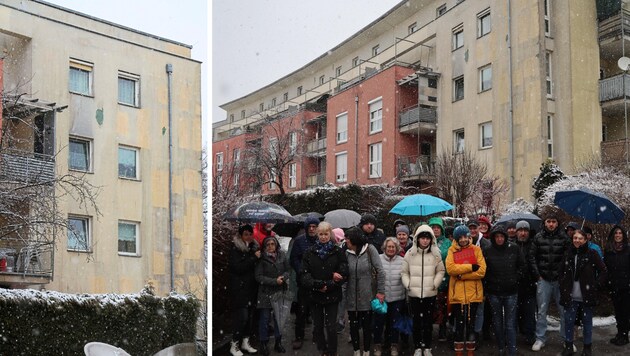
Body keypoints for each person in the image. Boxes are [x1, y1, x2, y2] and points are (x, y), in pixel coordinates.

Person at [300, 221, 348, 356]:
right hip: (315, 295)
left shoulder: (337, 251)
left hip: (332, 294)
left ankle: (332, 352)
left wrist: (330, 284)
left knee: (331, 326)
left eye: (326, 234)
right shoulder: (309, 252)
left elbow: (344, 272)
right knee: (318, 326)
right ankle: (323, 350)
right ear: (317, 235)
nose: (323, 237)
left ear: (330, 234)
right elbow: (304, 274)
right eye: (320, 234)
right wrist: (318, 285)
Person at [559, 229, 607, 356]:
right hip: (570, 295)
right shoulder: (567, 253)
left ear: (586, 240)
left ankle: (587, 348)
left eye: (580, 238)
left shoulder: (592, 253)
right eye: (575, 238)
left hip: (586, 295)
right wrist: (562, 284)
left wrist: (595, 285)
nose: (577, 240)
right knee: (569, 321)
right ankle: (568, 346)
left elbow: (603, 271)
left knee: (587, 323)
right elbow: (561, 271)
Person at [529, 210, 572, 352]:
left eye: (554, 222)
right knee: (542, 311)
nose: (551, 224)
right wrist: (538, 275)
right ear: (545, 223)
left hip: (560, 281)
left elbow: (568, 258)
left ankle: (567, 339)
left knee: (563, 310)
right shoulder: (538, 237)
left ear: (557, 223)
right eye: (549, 221)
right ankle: (540, 338)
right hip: (544, 280)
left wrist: (563, 275)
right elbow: (532, 257)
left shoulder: (564, 238)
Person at [401, 225, 445, 356]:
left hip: (429, 294)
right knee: (416, 322)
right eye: (422, 238)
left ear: (431, 240)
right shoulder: (410, 253)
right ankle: (417, 346)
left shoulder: (436, 254)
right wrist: (408, 284)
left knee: (427, 322)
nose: (425, 241)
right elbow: (404, 272)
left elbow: (440, 270)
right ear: (417, 239)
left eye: (427, 238)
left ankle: (427, 346)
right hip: (414, 294)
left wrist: (435, 284)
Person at [483, 226, 525, 356]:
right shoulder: (487, 250)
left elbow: (522, 265)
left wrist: (515, 278)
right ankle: (501, 347)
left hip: (511, 292)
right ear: (493, 238)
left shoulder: (514, 248)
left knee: (510, 322)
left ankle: (512, 350)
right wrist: (489, 283)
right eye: (497, 237)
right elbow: (484, 270)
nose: (499, 239)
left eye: (501, 236)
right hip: (494, 292)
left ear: (505, 237)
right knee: (497, 321)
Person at [446, 225, 486, 356]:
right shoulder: (451, 251)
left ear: (469, 237)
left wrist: (461, 276)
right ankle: (458, 352)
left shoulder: (476, 250)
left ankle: (470, 352)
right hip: (457, 295)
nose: (463, 239)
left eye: (465, 236)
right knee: (459, 325)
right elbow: (451, 269)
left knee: (471, 325)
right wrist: (470, 266)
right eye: (460, 237)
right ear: (456, 239)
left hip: (473, 294)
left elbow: (481, 271)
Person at [345, 226, 386, 356]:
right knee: (353, 326)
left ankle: (367, 351)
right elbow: (343, 272)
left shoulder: (370, 249)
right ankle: (356, 351)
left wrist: (380, 291)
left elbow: (380, 271)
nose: (346, 241)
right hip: (351, 296)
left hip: (368, 295)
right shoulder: (346, 253)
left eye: (348, 239)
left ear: (355, 240)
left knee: (367, 326)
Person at [228, 224, 260, 356]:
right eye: (246, 234)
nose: (249, 236)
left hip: (252, 288)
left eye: (250, 234)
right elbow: (238, 268)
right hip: (240, 289)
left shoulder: (254, 248)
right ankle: (234, 344)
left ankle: (245, 342)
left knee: (250, 317)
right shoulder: (235, 249)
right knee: (242, 317)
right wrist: (253, 258)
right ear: (241, 235)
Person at [255, 235, 290, 355]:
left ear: (276, 245)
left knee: (278, 319)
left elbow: (287, 270)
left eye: (272, 244)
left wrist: (283, 277)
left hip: (280, 292)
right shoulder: (261, 258)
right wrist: (274, 281)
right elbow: (258, 276)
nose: (270, 247)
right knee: (264, 320)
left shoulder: (282, 255)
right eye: (268, 245)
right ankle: (263, 344)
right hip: (265, 293)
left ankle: (278, 342)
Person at [289, 216, 320, 349]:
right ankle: (299, 336)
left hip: (318, 281)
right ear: (306, 228)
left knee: (318, 310)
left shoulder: (322, 239)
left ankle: (317, 334)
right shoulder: (299, 241)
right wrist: (302, 271)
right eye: (310, 227)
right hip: (303, 281)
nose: (312, 229)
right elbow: (294, 258)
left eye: (314, 227)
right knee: (301, 311)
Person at [374, 237, 406, 356]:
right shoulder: (378, 259)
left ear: (397, 248)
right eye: (389, 247)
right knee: (379, 323)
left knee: (395, 324)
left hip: (398, 298)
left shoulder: (403, 260)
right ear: (385, 248)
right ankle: (377, 345)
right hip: (382, 298)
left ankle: (394, 345)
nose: (391, 249)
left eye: (393, 247)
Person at [604, 225, 630, 346]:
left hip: (626, 286)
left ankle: (624, 336)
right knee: (618, 312)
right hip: (614, 286)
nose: (618, 235)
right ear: (612, 236)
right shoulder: (609, 250)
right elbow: (606, 269)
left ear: (623, 235)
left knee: (625, 312)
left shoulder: (628, 249)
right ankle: (620, 333)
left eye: (620, 233)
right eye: (616, 233)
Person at [429, 217, 451, 342]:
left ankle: (443, 330)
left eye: (438, 228)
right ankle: (428, 330)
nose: (436, 230)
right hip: (429, 279)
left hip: (444, 279)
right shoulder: (426, 241)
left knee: (443, 307)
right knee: (430, 306)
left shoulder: (447, 243)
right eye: (433, 228)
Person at [515, 221, 537, 344]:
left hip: (530, 285)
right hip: (516, 285)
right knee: (516, 312)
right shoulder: (512, 245)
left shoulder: (533, 245)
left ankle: (529, 334)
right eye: (520, 230)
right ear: (517, 232)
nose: (523, 233)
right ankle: (516, 334)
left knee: (529, 312)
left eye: (525, 231)